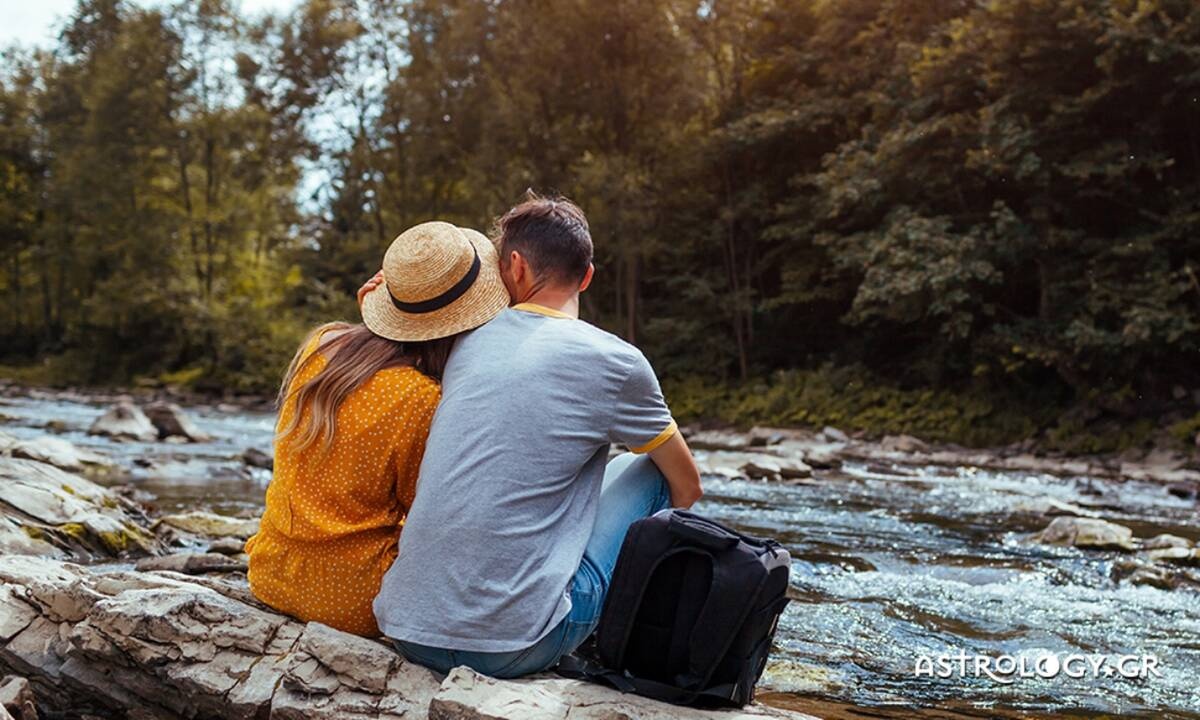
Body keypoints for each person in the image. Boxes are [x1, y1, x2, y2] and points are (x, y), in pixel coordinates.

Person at [371, 195, 704, 676]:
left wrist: (377, 298)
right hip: (514, 647)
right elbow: (688, 488)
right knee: (648, 467)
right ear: (587, 276)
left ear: (515, 266)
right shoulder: (617, 361)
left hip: (407, 628)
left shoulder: (465, 342)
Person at [245, 221, 509, 637]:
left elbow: (367, 375)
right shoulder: (422, 399)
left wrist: (379, 320)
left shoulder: (322, 344)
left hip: (271, 574)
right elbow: (420, 513)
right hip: (353, 602)